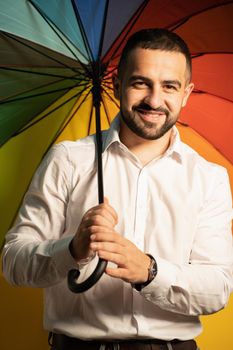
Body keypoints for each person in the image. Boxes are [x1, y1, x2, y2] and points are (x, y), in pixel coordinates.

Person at [2, 28, 233, 350]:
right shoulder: (68, 159)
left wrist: (149, 271)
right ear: (117, 84)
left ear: (186, 93)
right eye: (141, 82)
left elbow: (217, 289)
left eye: (169, 86)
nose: (154, 100)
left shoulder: (210, 178)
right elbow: (14, 263)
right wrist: (72, 249)